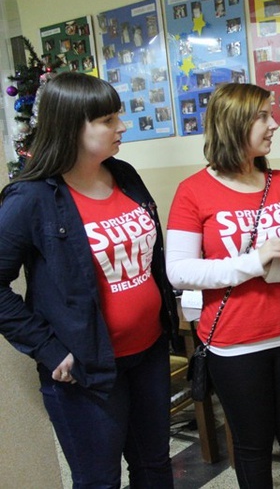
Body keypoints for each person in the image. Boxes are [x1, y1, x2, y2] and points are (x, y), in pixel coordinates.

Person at [0, 72, 178, 487]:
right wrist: (48, 349)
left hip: (148, 351)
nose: (122, 126)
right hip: (86, 370)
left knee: (155, 466)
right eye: (108, 119)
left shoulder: (124, 174)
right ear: (71, 126)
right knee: (99, 480)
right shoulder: (31, 199)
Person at [166, 83, 280, 488]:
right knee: (252, 447)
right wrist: (252, 264)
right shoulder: (192, 192)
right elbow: (179, 271)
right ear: (235, 124)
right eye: (264, 116)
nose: (275, 124)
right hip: (235, 344)